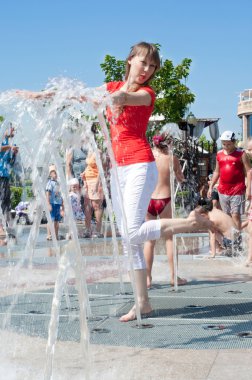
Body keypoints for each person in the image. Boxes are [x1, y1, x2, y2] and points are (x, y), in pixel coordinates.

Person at [17, 42, 213, 322]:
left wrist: (107, 96)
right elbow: (79, 94)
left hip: (139, 166)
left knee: (133, 232)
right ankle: (142, 303)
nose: (147, 70)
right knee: (128, 241)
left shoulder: (147, 94)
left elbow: (121, 100)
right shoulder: (112, 86)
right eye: (143, 62)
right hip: (118, 170)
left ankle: (193, 224)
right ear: (131, 60)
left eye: (152, 66)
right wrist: (43, 96)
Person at [144, 133, 187, 288]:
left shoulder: (147, 156)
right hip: (165, 200)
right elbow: (181, 178)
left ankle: (147, 279)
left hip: (149, 200)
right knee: (170, 239)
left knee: (149, 240)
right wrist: (180, 173)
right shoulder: (172, 159)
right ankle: (173, 277)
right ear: (167, 144)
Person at [207, 130, 250, 231]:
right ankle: (230, 238)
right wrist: (210, 186)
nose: (226, 146)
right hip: (223, 190)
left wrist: (248, 188)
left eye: (228, 144)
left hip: (237, 189)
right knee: (226, 216)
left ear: (234, 142)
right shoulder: (219, 154)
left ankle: (237, 240)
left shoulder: (241, 154)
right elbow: (217, 172)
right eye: (224, 144)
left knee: (235, 215)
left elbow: (249, 171)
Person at [0, 123, 19, 242]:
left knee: (6, 202)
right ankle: (0, 228)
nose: (13, 131)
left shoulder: (11, 143)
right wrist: (9, 146)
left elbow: (11, 163)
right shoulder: (2, 139)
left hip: (6, 176)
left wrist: (14, 154)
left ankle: (8, 227)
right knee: (1, 201)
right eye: (11, 129)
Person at [81, 150, 105, 238]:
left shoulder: (98, 152)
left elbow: (101, 170)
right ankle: (87, 229)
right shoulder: (89, 151)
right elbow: (89, 165)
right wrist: (84, 172)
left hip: (95, 181)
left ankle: (98, 231)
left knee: (96, 206)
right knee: (87, 206)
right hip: (87, 181)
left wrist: (97, 184)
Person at [45, 164, 64, 240]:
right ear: (50, 174)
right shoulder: (50, 183)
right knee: (51, 220)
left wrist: (62, 205)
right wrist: (48, 203)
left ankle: (55, 235)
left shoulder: (58, 183)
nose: (56, 174)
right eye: (54, 173)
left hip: (57, 204)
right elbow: (47, 193)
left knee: (56, 221)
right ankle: (49, 235)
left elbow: (60, 194)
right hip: (52, 203)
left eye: (56, 173)